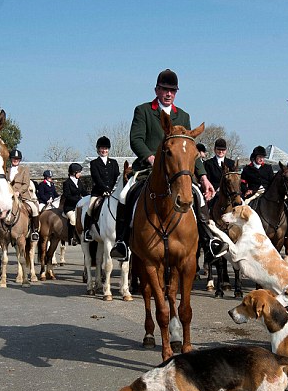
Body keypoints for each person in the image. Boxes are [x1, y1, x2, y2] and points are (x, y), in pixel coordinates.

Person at [109, 69, 224, 261]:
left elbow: (189, 149)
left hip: (177, 171)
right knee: (124, 194)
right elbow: (136, 139)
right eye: (164, 89)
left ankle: (208, 240)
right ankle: (122, 241)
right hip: (148, 169)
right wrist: (150, 157)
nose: (168, 93)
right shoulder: (143, 110)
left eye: (172, 90)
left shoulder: (184, 116)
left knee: (197, 195)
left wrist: (203, 177)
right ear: (156, 90)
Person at [87, 136, 121, 241]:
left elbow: (116, 176)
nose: (104, 150)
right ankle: (88, 231)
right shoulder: (94, 163)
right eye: (102, 148)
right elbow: (96, 178)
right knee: (90, 208)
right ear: (98, 149)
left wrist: (111, 189)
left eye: (106, 148)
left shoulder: (114, 163)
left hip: (112, 192)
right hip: (98, 192)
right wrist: (105, 189)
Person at [8, 148, 40, 242]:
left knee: (34, 209)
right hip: (9, 196)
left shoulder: (24, 169)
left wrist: (18, 192)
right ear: (11, 159)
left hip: (22, 196)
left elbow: (26, 184)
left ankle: (34, 231)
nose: (15, 160)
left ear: (20, 160)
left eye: (17, 159)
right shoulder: (7, 170)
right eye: (14, 158)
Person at [62, 162, 87, 246]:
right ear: (74, 172)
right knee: (73, 219)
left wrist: (89, 196)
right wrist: (79, 200)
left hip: (79, 205)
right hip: (69, 207)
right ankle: (71, 238)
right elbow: (67, 196)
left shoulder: (78, 181)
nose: (80, 174)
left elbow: (83, 191)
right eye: (79, 172)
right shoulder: (67, 183)